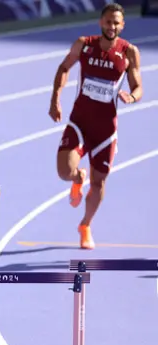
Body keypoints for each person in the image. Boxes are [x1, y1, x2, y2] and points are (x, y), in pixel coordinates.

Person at [49, 2, 142, 249]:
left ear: (122, 25)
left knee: (99, 183)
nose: (112, 26)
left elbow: (138, 87)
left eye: (116, 23)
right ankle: (78, 176)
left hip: (105, 131)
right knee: (63, 172)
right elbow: (64, 67)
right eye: (108, 21)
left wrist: (131, 97)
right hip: (79, 122)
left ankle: (85, 225)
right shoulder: (84, 44)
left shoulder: (129, 52)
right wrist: (55, 99)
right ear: (101, 22)